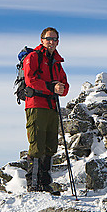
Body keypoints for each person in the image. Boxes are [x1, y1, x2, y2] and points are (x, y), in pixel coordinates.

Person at [22, 27, 70, 191]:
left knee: (50, 145)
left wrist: (61, 88)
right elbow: (30, 80)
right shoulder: (33, 57)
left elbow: (65, 86)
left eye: (54, 39)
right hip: (36, 104)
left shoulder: (57, 62)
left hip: (52, 106)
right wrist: (52, 86)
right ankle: (33, 183)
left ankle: (45, 183)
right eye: (48, 39)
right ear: (42, 40)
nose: (51, 42)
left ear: (58, 42)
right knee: (37, 144)